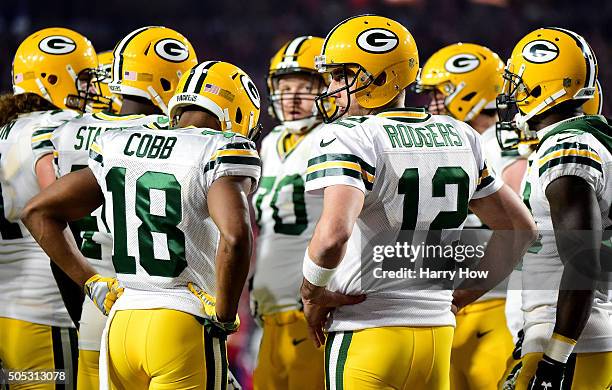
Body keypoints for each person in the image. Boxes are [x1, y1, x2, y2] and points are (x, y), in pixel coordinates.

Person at [298, 14, 536, 390]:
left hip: (367, 332)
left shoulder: (351, 138)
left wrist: (311, 292)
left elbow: (333, 237)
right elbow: (521, 229)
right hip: (437, 334)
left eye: (342, 76)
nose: (332, 87)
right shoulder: (461, 134)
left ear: (376, 79)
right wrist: (463, 296)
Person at [23, 60, 262, 390]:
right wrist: (223, 314)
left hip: (120, 323)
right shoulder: (219, 147)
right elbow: (235, 237)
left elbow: (37, 212)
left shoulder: (119, 142)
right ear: (236, 113)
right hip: (182, 322)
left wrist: (91, 282)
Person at [39, 26, 197, 390]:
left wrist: (88, 286)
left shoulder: (65, 132)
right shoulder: (171, 136)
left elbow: (49, 218)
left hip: (95, 299)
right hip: (160, 301)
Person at [496, 27, 612, 389]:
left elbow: (583, 263)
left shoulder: (567, 148)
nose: (511, 95)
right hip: (580, 331)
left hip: (571, 336)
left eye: (518, 84)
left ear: (542, 86)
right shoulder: (592, 139)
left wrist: (555, 357)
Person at [0, 27, 106, 389]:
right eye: (85, 78)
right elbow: (55, 201)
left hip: (7, 312)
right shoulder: (54, 128)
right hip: (47, 311)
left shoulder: (6, 128)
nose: (90, 89)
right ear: (54, 78)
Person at [417, 42, 516, 389]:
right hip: (452, 311)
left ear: (466, 91)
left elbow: (525, 229)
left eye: (438, 94)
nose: (431, 105)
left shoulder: (503, 144)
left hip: (495, 306)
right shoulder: (463, 143)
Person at [250, 35, 333, 390]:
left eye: (304, 87)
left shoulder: (334, 138)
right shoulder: (269, 143)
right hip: (270, 312)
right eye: (285, 88)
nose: (293, 98)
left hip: (310, 312)